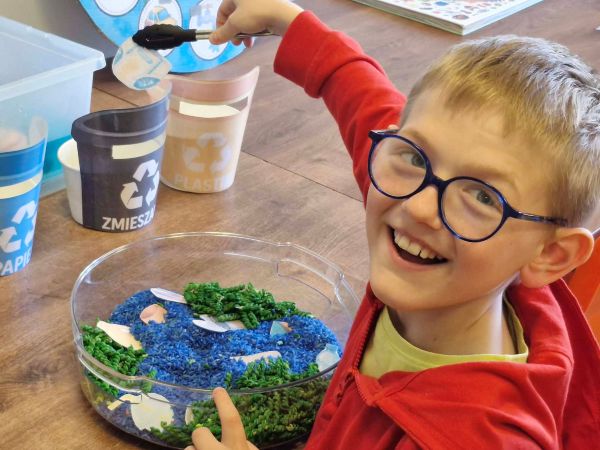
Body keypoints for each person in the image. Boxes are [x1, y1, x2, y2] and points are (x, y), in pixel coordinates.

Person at [185, 0, 600, 448]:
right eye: (416, 156)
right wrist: (291, 22)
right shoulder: (441, 221)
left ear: (550, 255)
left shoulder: (480, 438)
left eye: (482, 196)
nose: (419, 207)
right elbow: (367, 102)